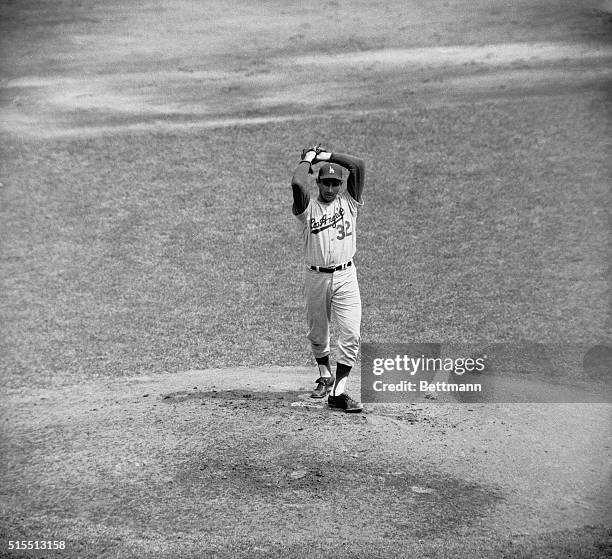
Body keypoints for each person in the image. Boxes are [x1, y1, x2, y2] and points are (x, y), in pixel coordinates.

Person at [291, 145, 366, 413]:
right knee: (318, 329)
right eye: (326, 183)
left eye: (336, 183)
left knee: (351, 333)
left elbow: (358, 165)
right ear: (319, 182)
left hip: (346, 275)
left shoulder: (350, 202)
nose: (331, 189)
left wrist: (327, 157)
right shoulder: (307, 209)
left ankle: (339, 391)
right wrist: (306, 161)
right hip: (315, 276)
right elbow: (298, 183)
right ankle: (324, 373)